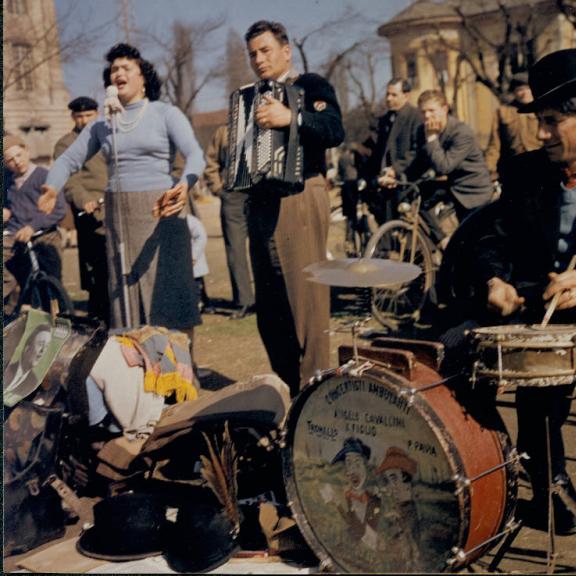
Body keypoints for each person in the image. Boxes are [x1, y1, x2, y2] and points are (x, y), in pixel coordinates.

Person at [475, 48, 576, 536]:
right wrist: (495, 281)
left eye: (551, 121)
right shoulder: (526, 172)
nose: (541, 134)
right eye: (538, 121)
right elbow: (491, 239)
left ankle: (552, 489)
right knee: (455, 354)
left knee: (539, 386)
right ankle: (491, 478)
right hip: (531, 307)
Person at [40, 44, 203, 367]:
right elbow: (69, 159)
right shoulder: (103, 125)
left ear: (143, 78)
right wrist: (51, 185)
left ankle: (180, 374)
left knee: (170, 297)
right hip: (120, 217)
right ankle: (141, 381)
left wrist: (185, 184)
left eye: (126, 67)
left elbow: (194, 154)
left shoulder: (165, 113)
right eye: (114, 69)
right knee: (126, 301)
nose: (118, 72)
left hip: (161, 211)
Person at [242, 20, 345, 395]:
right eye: (252, 53)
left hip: (301, 195)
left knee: (307, 306)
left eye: (265, 50)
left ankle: (315, 392)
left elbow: (335, 129)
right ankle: (291, 391)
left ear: (286, 50)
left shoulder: (310, 85)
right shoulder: (250, 97)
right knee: (270, 311)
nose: (258, 59)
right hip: (262, 203)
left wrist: (292, 118)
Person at [54, 96, 110, 324]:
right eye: (79, 116)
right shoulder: (66, 144)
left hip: (119, 207)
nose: (84, 120)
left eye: (89, 115)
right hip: (90, 212)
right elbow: (69, 180)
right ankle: (100, 320)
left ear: (97, 113)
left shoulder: (109, 134)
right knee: (96, 272)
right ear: (73, 117)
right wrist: (84, 200)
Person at [406, 90, 494, 228]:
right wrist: (397, 176)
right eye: (423, 112)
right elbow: (420, 163)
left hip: (472, 190)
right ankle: (441, 240)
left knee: (474, 237)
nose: (427, 116)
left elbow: (444, 167)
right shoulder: (422, 131)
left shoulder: (461, 132)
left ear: (445, 109)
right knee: (416, 198)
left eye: (431, 110)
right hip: (450, 185)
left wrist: (432, 138)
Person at [3, 136, 67, 315]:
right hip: (16, 233)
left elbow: (59, 209)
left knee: (50, 281)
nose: (16, 162)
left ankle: (56, 316)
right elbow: (11, 207)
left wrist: (32, 227)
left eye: (19, 155)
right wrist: (6, 212)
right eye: (10, 159)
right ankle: (10, 307)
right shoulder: (8, 182)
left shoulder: (44, 176)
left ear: (27, 151)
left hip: (43, 232)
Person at [203, 124, 255, 319]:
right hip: (232, 196)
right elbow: (211, 162)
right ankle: (244, 302)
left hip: (262, 194)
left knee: (266, 249)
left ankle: (270, 301)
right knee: (235, 249)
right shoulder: (223, 131)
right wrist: (219, 190)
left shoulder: (264, 123)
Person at [371, 78, 423, 225]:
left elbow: (417, 151)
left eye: (394, 95)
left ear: (406, 95)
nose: (388, 99)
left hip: (408, 180)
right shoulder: (384, 120)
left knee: (408, 229)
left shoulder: (416, 117)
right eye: (387, 94)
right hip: (386, 182)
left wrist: (395, 170)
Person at [485, 72, 542, 180]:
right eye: (520, 89)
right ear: (514, 92)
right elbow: (494, 144)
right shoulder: (503, 112)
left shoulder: (543, 109)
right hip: (514, 166)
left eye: (528, 89)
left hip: (542, 164)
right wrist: (489, 169)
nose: (525, 93)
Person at [330, 437, 381, 550]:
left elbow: (371, 540)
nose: (352, 470)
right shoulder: (344, 497)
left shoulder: (375, 501)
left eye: (357, 463)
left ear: (365, 466)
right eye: (348, 463)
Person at [374, 447, 421, 566]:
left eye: (394, 479)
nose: (390, 488)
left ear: (407, 482)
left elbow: (407, 537)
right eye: (388, 481)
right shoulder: (397, 506)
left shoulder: (410, 510)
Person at [4, 323, 52, 400]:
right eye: (40, 344)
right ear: (27, 347)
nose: (42, 351)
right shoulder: (7, 368)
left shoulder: (34, 381)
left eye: (46, 346)